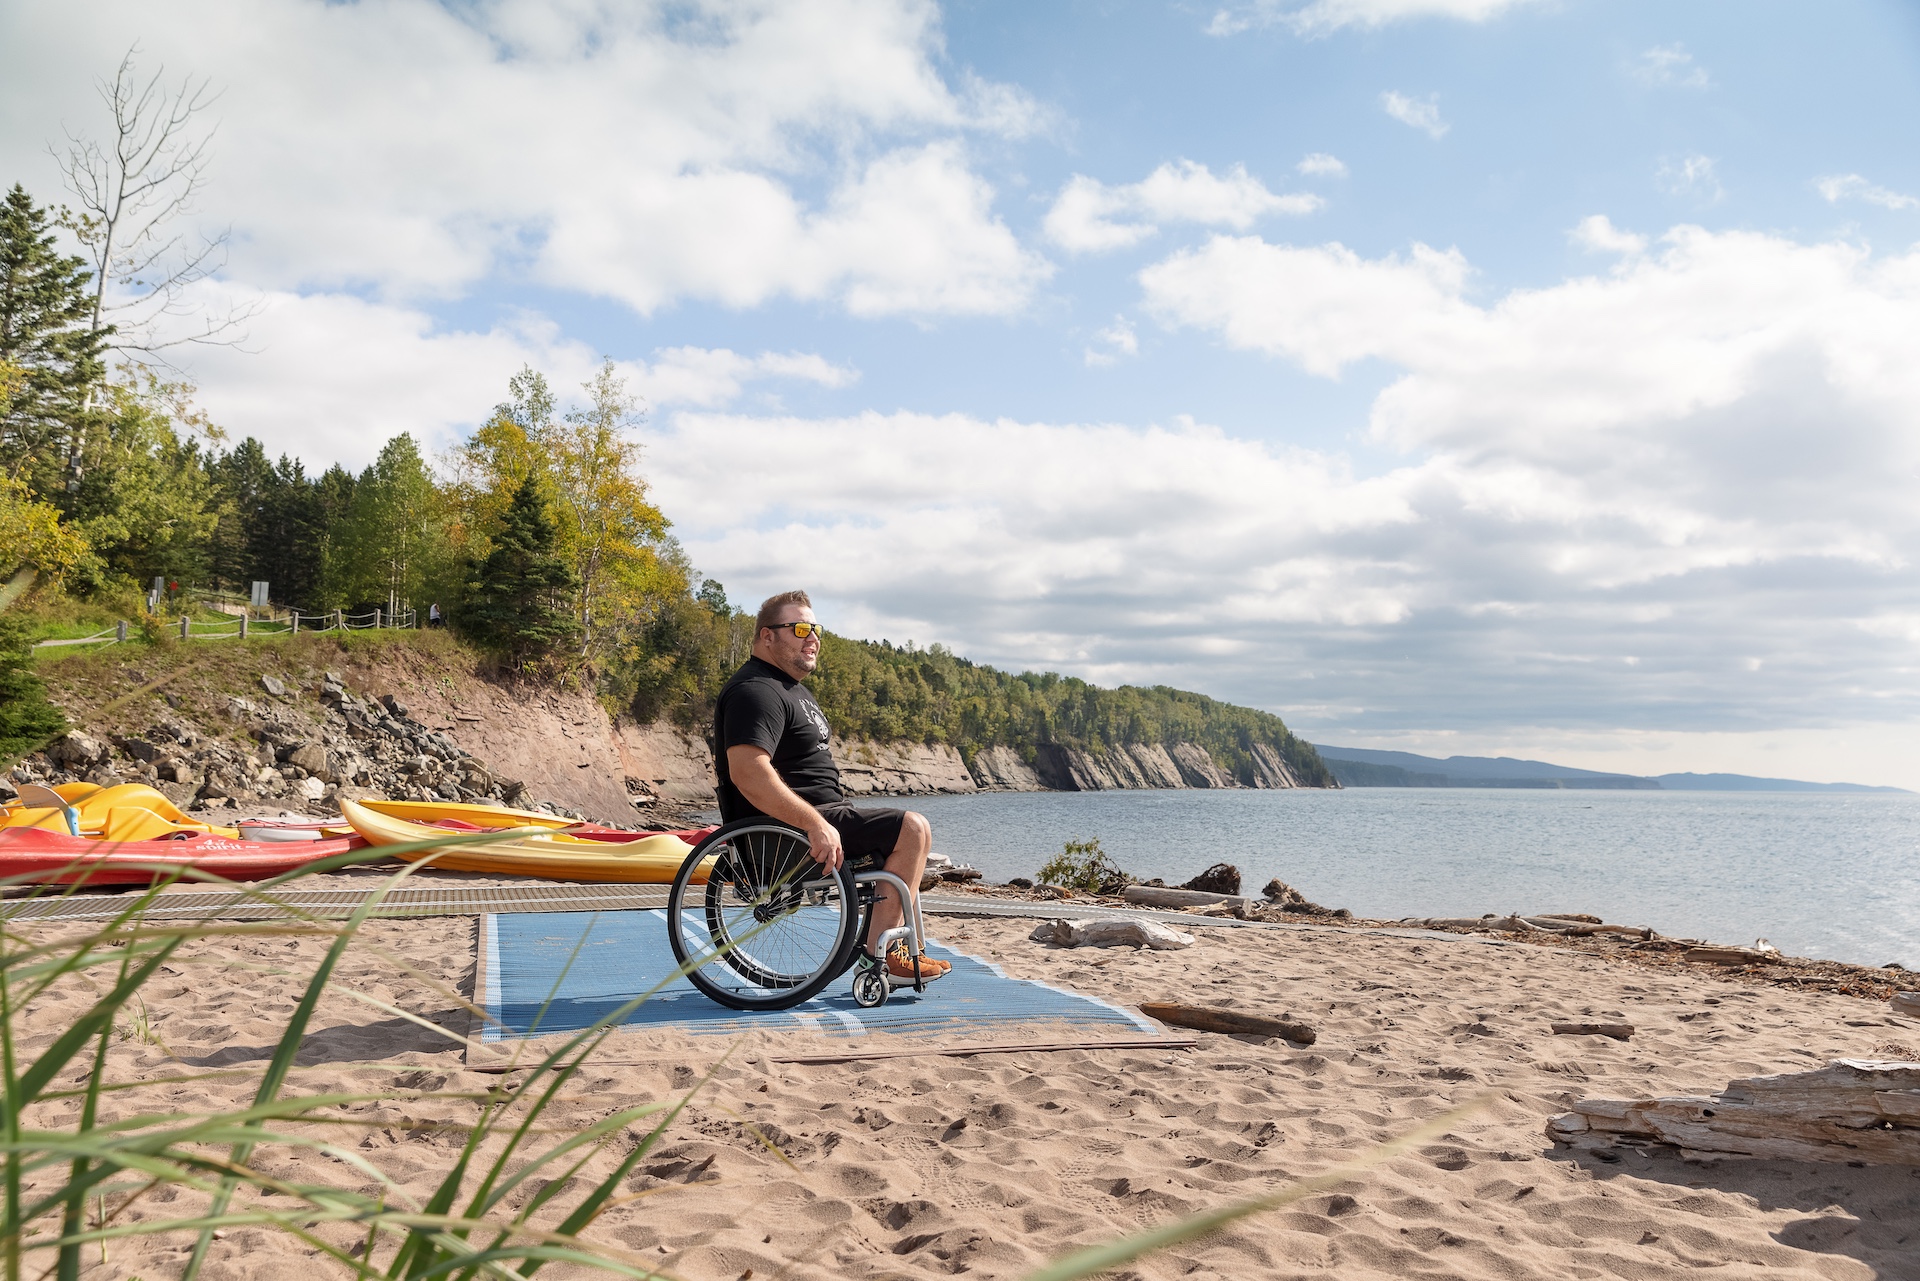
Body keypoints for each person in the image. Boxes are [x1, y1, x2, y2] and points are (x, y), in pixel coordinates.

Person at [713, 589, 950, 984]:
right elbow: (748, 773)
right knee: (912, 827)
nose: (813, 639)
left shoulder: (789, 688)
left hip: (820, 817)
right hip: (787, 833)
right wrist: (814, 824)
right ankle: (879, 959)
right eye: (800, 628)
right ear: (767, 636)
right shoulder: (755, 691)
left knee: (915, 835)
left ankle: (893, 948)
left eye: (816, 629)